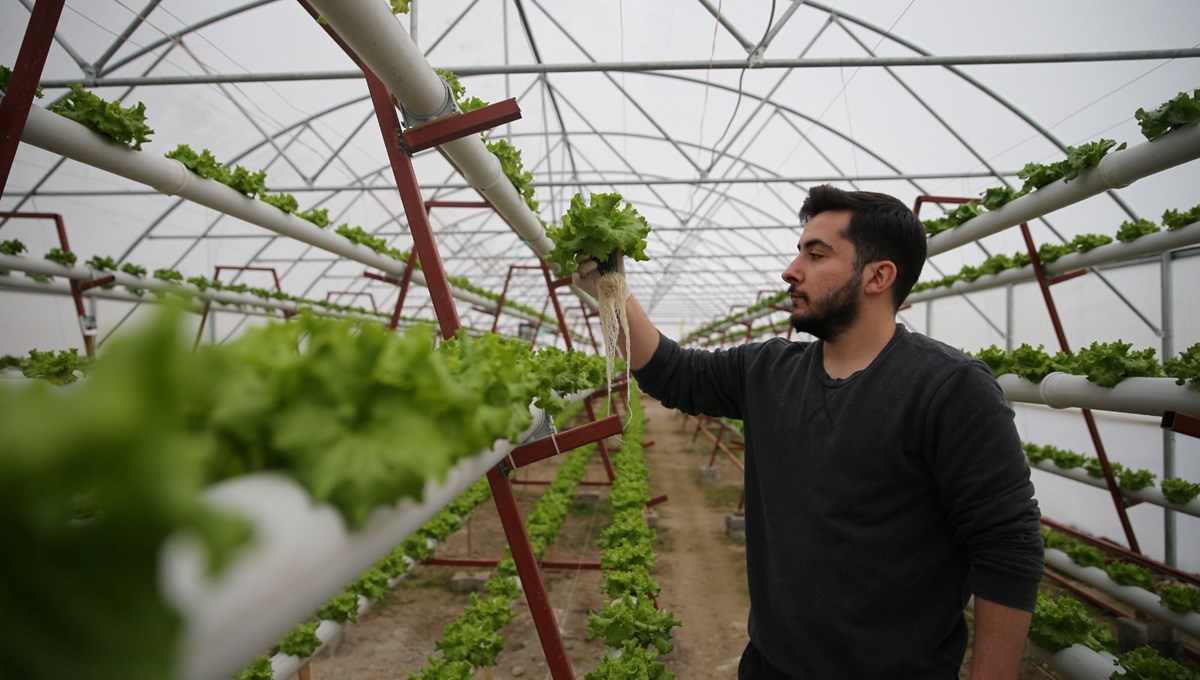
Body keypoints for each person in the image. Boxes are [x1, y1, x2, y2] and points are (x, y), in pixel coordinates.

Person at [574, 185, 1044, 680]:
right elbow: (675, 373)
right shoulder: (769, 370)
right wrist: (612, 289)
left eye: (815, 254)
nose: (791, 270)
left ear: (878, 276)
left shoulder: (949, 388)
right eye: (799, 250)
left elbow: (1007, 546)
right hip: (771, 667)